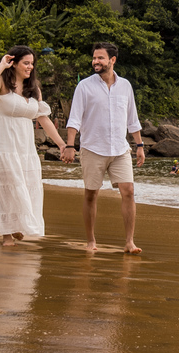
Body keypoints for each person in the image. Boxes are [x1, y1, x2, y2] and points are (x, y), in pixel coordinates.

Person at [0, 46, 67, 246]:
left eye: (32, 63)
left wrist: (62, 144)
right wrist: (1, 65)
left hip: (25, 149)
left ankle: (17, 226)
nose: (30, 67)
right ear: (14, 63)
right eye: (26, 63)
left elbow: (44, 119)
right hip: (3, 146)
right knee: (7, 189)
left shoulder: (34, 89)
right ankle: (6, 235)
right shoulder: (1, 82)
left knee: (25, 187)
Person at [61, 43, 145, 254]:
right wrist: (70, 145)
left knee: (129, 191)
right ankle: (91, 241)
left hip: (120, 149)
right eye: (94, 58)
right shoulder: (84, 86)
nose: (96, 61)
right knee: (91, 194)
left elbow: (132, 118)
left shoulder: (125, 86)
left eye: (100, 58)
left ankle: (129, 242)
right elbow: (74, 119)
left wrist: (140, 145)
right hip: (92, 148)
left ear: (112, 60)